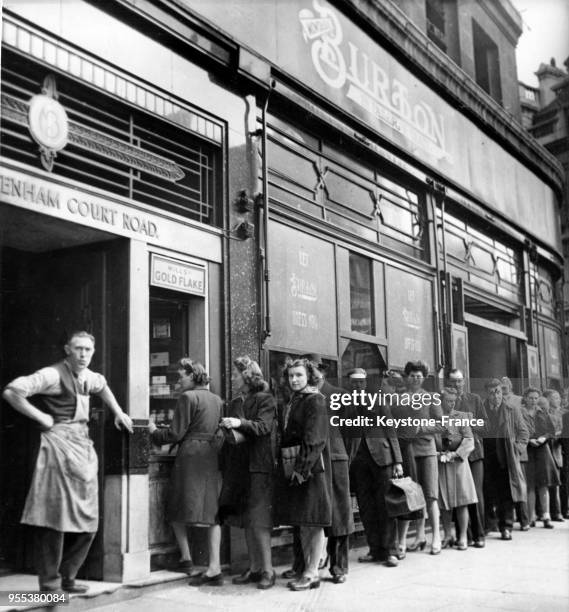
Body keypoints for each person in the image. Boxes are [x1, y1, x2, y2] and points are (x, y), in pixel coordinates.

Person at [2, 331, 133, 593]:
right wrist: (42, 417)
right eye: (78, 349)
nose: (83, 354)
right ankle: (51, 588)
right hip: (58, 449)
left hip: (83, 450)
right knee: (54, 519)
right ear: (67, 350)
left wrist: (118, 412)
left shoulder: (89, 376)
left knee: (90, 520)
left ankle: (68, 577)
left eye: (87, 350)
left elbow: (103, 386)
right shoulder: (52, 375)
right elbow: (13, 391)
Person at [148, 359, 223, 586]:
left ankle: (186, 557)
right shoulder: (217, 400)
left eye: (181, 376)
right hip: (210, 456)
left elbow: (175, 434)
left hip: (190, 456)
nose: (178, 381)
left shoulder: (187, 398)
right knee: (211, 512)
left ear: (193, 376)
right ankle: (215, 566)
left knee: (176, 505)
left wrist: (153, 430)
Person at [218, 356, 277, 590]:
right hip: (240, 467)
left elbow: (263, 427)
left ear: (246, 375)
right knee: (247, 521)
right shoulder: (237, 402)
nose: (232, 377)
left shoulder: (265, 399)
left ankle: (268, 571)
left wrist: (237, 422)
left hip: (258, 468)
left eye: (235, 374)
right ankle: (254, 569)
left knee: (259, 521)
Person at [274, 358, 332, 591]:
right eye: (291, 376)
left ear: (309, 376)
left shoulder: (314, 400)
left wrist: (301, 470)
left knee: (313, 521)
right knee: (305, 521)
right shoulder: (296, 400)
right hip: (299, 468)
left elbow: (315, 438)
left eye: (299, 375)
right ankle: (309, 568)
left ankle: (311, 573)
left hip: (309, 469)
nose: (294, 379)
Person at [349, 368, 403, 567]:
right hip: (359, 460)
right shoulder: (346, 403)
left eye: (360, 382)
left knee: (386, 505)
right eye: (353, 382)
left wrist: (398, 461)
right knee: (366, 506)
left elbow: (390, 429)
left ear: (365, 383)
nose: (357, 385)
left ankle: (391, 551)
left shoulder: (377, 400)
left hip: (382, 457)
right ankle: (374, 549)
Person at [398, 361, 443, 555]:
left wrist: (420, 428)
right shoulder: (399, 398)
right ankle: (411, 538)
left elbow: (442, 425)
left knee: (431, 496)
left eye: (419, 375)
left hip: (426, 451)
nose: (415, 378)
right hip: (407, 452)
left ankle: (436, 538)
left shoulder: (431, 398)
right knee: (409, 495)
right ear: (406, 377)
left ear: (424, 378)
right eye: (412, 375)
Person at [482, 379, 528, 541]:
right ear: (486, 394)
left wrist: (517, 449)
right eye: (492, 392)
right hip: (485, 456)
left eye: (498, 392)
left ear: (502, 393)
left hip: (505, 456)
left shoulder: (511, 409)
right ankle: (489, 524)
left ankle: (506, 526)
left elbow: (524, 433)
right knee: (486, 491)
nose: (495, 396)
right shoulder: (481, 409)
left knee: (506, 493)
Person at [446, 368, 486, 547]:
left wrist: (468, 422)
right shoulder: (446, 401)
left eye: (459, 380)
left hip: (473, 453)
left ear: (464, 381)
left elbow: (486, 425)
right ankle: (465, 535)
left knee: (474, 494)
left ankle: (479, 535)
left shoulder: (474, 399)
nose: (457, 384)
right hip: (455, 455)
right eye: (453, 381)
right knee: (459, 495)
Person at [436, 387, 477, 550]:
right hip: (441, 462)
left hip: (459, 463)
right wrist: (438, 453)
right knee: (444, 502)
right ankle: (447, 535)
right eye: (448, 401)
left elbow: (469, 440)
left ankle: (462, 537)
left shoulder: (461, 417)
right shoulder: (436, 417)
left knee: (462, 501)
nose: (451, 404)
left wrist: (455, 455)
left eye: (453, 401)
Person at [522, 389, 560, 529]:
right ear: (525, 398)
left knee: (543, 484)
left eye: (536, 398)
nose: (533, 400)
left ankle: (546, 516)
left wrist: (544, 437)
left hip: (542, 450)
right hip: (528, 450)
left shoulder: (543, 412)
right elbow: (516, 429)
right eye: (530, 398)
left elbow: (551, 431)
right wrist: (529, 440)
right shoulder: (520, 413)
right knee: (530, 484)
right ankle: (531, 517)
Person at [543, 389, 565, 522]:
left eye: (558, 397)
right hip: (546, 448)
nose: (558, 400)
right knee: (546, 483)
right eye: (555, 398)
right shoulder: (545, 413)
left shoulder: (563, 414)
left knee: (556, 483)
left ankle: (557, 512)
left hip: (557, 449)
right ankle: (547, 512)